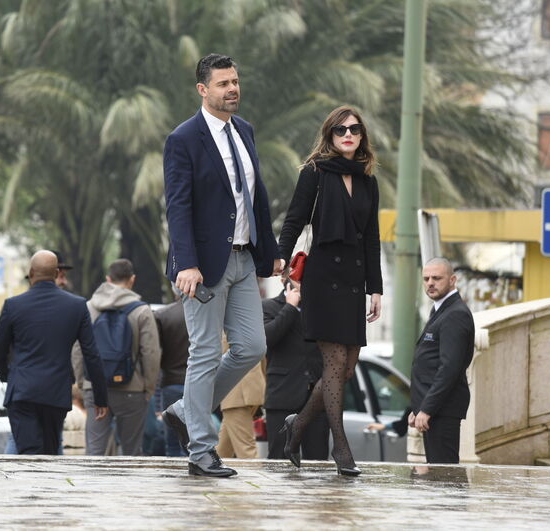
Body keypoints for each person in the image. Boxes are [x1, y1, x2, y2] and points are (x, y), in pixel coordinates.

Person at [162, 53, 282, 477]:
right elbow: (177, 207)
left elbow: (257, 200)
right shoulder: (184, 139)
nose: (232, 89)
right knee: (207, 351)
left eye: (235, 81)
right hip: (201, 268)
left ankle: (184, 410)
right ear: (202, 90)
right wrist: (187, 263)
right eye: (223, 84)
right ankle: (200, 450)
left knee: (252, 346)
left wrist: (271, 251)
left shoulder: (244, 130)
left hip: (243, 259)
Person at [277, 106, 383, 476]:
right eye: (340, 130)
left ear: (362, 136)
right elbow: (294, 219)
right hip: (323, 279)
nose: (348, 135)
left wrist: (377, 288)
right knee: (334, 364)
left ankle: (297, 425)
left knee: (347, 368)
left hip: (354, 282)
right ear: (330, 135)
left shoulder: (369, 181)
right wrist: (281, 257)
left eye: (354, 129)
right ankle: (342, 449)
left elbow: (372, 237)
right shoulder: (315, 173)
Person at [0, 250, 108, 455]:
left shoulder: (13, 305)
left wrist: (8, 376)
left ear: (31, 272)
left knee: (28, 453)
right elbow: (91, 354)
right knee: (50, 453)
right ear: (56, 274)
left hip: (22, 391)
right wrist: (100, 397)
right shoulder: (77, 305)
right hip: (56, 392)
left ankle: (29, 487)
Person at [71, 258, 161, 456]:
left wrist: (83, 383)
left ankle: (93, 487)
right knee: (131, 452)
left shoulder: (88, 308)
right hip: (132, 389)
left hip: (94, 387)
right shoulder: (142, 311)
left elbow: (78, 350)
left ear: (108, 279)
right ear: (132, 280)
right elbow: (151, 353)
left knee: (95, 451)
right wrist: (148, 387)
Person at [408, 257, 475, 464]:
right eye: (426, 278)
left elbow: (449, 368)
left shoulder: (455, 314)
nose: (430, 283)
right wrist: (418, 408)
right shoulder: (441, 309)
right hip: (435, 409)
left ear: (453, 280)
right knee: (440, 475)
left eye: (437, 278)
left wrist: (426, 409)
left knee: (445, 476)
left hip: (442, 410)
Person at [263, 279, 329, 461]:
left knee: (318, 462)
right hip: (283, 394)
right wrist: (290, 308)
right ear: (286, 280)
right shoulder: (269, 306)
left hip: (316, 396)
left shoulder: (319, 309)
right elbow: (267, 339)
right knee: (279, 460)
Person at [153, 300, 189, 457]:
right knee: (197, 437)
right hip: (202, 383)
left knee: (173, 440)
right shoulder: (210, 312)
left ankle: (174, 474)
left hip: (171, 381)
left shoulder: (163, 315)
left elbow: (155, 352)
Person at [216, 359, 265, 459]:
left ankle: (255, 474)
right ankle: (211, 471)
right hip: (250, 388)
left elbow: (218, 359)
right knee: (222, 450)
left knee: (247, 451)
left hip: (235, 392)